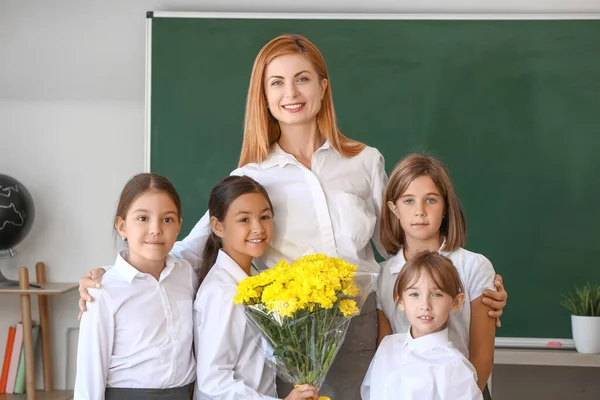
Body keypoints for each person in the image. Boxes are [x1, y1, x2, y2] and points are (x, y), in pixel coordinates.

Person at [78, 34, 507, 399]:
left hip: (362, 328)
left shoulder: (364, 162)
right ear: (264, 97)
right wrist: (109, 277)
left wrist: (465, 279)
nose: (292, 93)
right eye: (277, 83)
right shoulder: (250, 175)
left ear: (323, 87)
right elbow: (192, 249)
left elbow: (404, 243)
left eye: (303, 79)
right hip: (291, 338)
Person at [376, 154, 496, 398]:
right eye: (408, 201)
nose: (419, 211)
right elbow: (385, 352)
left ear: (445, 209)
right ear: (394, 209)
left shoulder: (474, 266)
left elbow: (482, 355)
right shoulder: (384, 275)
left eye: (430, 200)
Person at [193, 175, 319, 400]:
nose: (258, 228)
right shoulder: (222, 291)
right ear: (217, 226)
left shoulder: (256, 281)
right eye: (244, 220)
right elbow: (213, 380)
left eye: (265, 217)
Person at [74, 173, 197, 399]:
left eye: (167, 219)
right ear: (122, 227)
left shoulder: (186, 274)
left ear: (179, 226)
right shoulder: (102, 291)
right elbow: (89, 375)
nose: (156, 229)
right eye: (142, 218)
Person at [362, 251, 483, 400]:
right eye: (414, 294)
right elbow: (369, 392)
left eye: (437, 294)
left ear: (456, 302)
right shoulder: (388, 346)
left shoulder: (453, 366)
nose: (425, 305)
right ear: (400, 300)